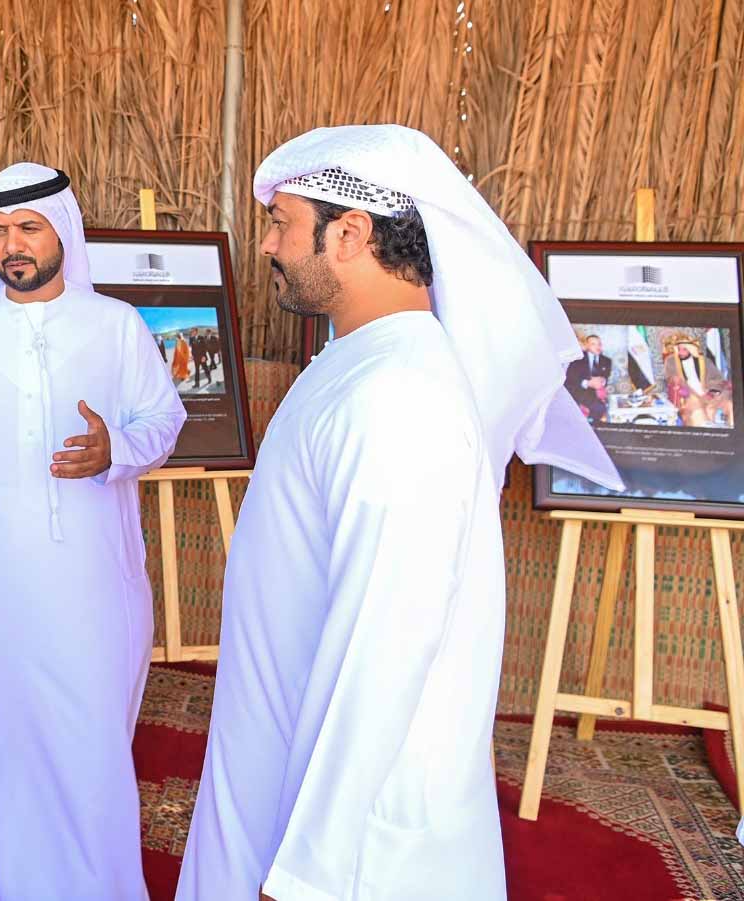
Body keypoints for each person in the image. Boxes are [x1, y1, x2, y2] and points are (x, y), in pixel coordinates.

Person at [175, 125, 622, 901]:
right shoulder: (364, 361)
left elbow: (386, 645)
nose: (270, 244)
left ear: (349, 233)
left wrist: (308, 871)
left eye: (282, 221)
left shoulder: (399, 397)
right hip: (280, 764)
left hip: (353, 848)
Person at [0, 161, 185, 899]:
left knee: (87, 745)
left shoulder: (114, 325)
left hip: (90, 585)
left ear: (63, 230)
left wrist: (113, 448)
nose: (11, 245)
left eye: (27, 227)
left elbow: (164, 421)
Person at [665, 336, 733, 427]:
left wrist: (712, 391)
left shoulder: (704, 360)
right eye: (679, 349)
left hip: (709, 392)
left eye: (684, 349)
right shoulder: (671, 361)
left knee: (729, 403)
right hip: (689, 396)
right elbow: (672, 379)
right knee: (696, 408)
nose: (681, 352)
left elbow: (717, 378)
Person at [566, 334, 614, 421]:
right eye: (593, 344)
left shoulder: (607, 361)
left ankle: (592, 423)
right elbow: (570, 378)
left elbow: (606, 378)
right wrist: (587, 383)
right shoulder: (577, 359)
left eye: (599, 344)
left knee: (600, 407)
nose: (597, 347)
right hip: (579, 390)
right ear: (587, 345)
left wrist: (602, 381)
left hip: (596, 393)